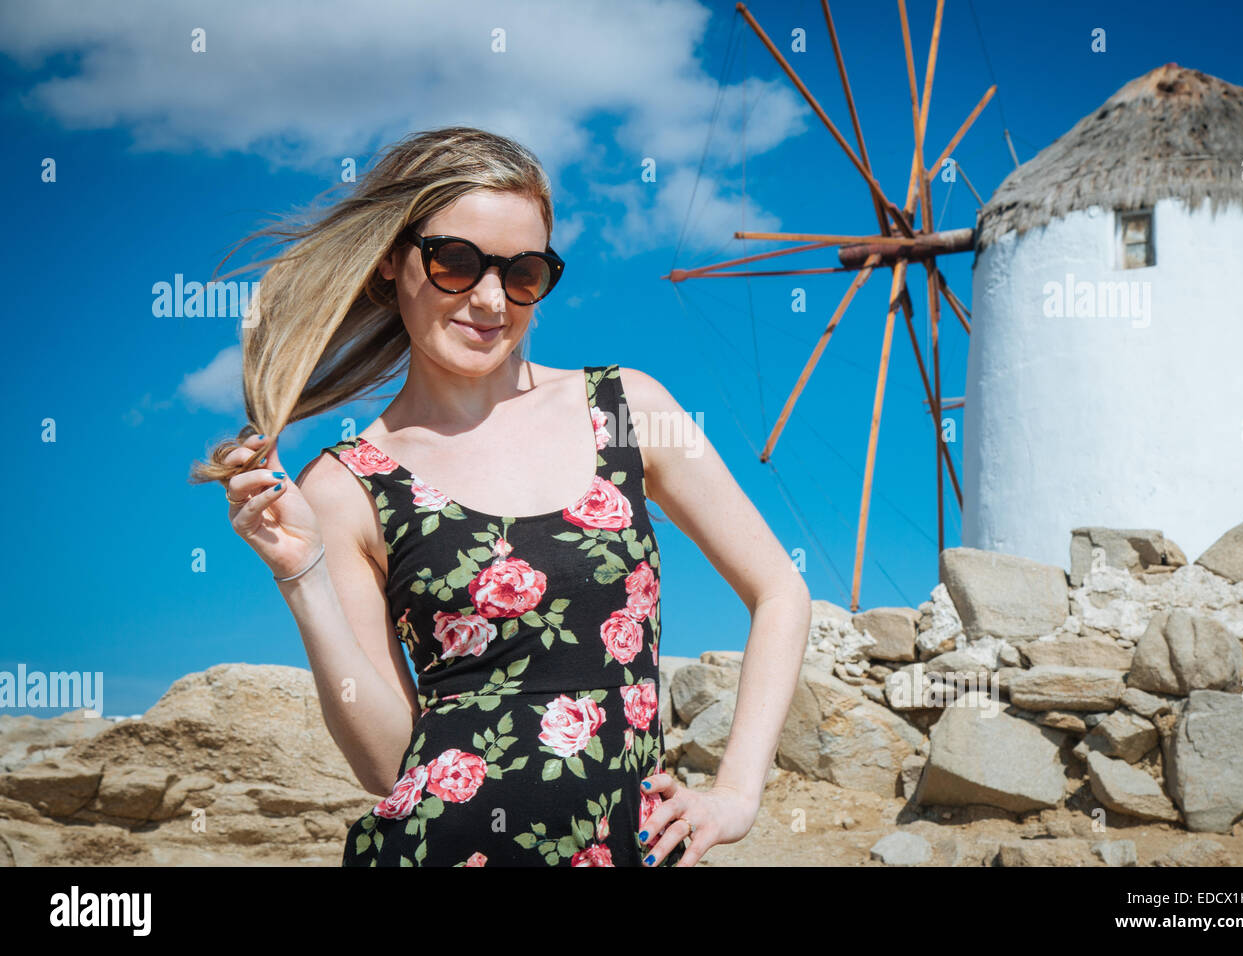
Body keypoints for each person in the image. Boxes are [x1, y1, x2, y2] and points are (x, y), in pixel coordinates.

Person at [191, 126, 811, 866]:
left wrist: (736, 794)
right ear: (393, 259)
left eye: (522, 274)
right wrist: (303, 576)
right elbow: (390, 764)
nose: (490, 299)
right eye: (456, 262)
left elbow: (780, 590)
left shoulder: (626, 408)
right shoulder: (348, 485)